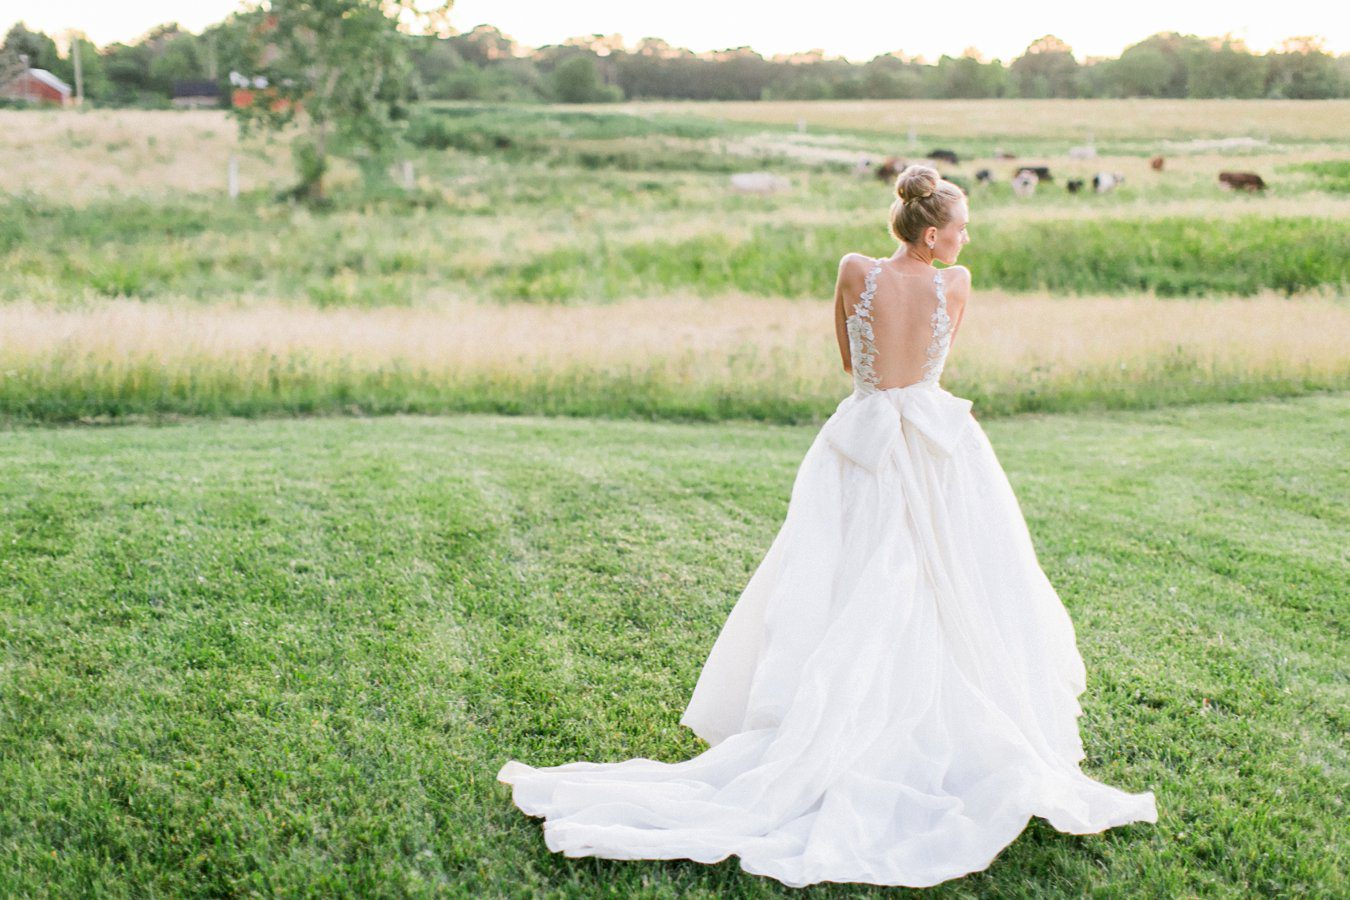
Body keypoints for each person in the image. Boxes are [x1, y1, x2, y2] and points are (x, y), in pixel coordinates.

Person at [496, 163, 1158, 889]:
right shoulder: (955, 283)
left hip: (863, 440)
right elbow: (933, 363)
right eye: (963, 226)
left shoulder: (853, 270)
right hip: (936, 448)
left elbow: (851, 358)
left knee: (848, 573)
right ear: (934, 234)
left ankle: (837, 711)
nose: (968, 237)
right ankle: (922, 715)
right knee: (950, 575)